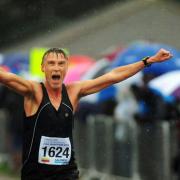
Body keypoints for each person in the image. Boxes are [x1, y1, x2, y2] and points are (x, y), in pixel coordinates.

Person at [0, 47, 172, 180]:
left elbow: (113, 75)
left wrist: (147, 61)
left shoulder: (75, 91)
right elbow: (5, 77)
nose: (56, 68)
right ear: (43, 67)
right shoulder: (33, 91)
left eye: (61, 64)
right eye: (51, 63)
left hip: (66, 171)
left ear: (66, 68)